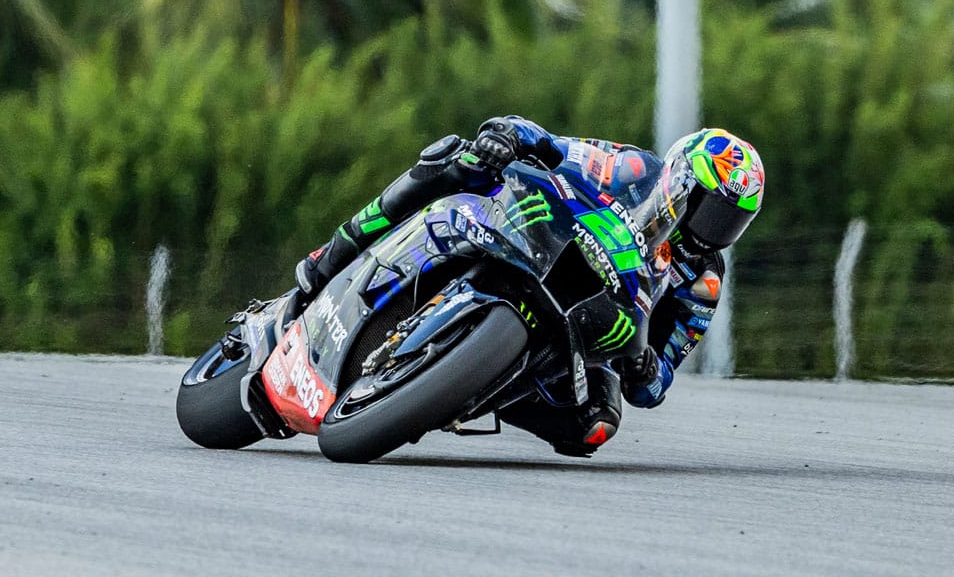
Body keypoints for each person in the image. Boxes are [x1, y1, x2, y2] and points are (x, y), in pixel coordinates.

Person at [294, 115, 765, 457]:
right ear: (679, 181)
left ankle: (459, 390)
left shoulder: (703, 281)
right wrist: (508, 136)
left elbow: (659, 381)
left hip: (598, 327)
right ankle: (332, 254)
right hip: (542, 241)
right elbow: (553, 144)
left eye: (731, 221)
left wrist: (644, 367)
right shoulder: (635, 170)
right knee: (458, 160)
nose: (714, 228)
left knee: (595, 427)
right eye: (709, 207)